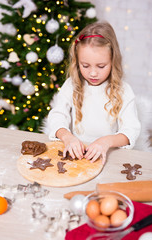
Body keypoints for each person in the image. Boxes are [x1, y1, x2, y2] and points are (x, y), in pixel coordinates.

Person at [45, 21, 141, 164]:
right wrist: (67, 137)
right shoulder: (71, 85)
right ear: (77, 62)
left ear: (113, 61)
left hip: (110, 154)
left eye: (101, 66)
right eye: (85, 65)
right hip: (77, 153)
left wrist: (106, 142)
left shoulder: (123, 91)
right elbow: (57, 116)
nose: (93, 73)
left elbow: (131, 130)